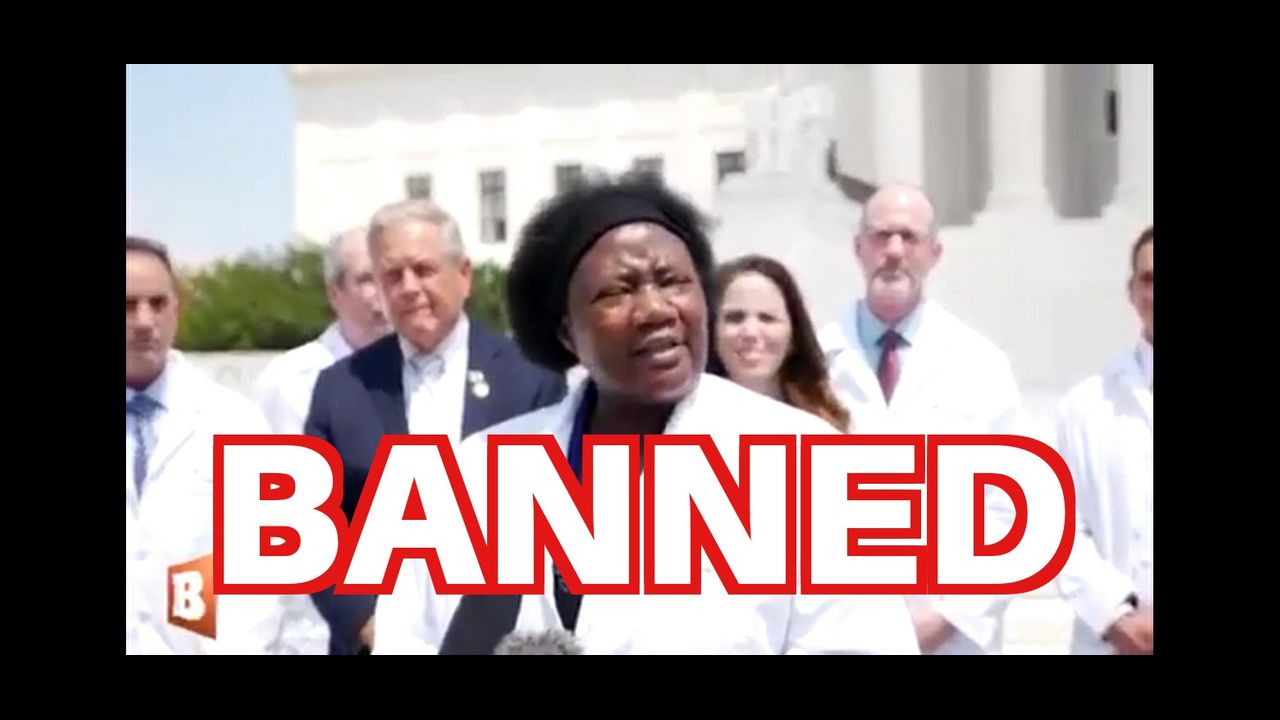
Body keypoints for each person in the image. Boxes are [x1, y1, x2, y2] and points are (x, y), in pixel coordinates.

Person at [375, 173, 920, 655]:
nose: (656, 309)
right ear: (567, 332)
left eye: (673, 281)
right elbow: (410, 638)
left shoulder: (807, 462)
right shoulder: (476, 475)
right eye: (618, 291)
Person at [304, 199, 567, 655]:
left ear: (463, 275)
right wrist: (372, 630)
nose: (408, 287)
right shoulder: (341, 388)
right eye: (392, 275)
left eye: (423, 270)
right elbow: (312, 528)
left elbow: (552, 527)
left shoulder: (530, 378)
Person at [817, 182, 1022, 655]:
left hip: (950, 637)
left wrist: (949, 617)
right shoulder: (813, 363)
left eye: (909, 237)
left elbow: (1013, 510)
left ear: (934, 253)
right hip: (839, 631)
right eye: (881, 235)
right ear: (858, 248)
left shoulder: (981, 366)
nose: (894, 251)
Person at [126, 236, 285, 654]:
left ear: (176, 309)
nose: (144, 321)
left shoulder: (233, 421)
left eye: (158, 303)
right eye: (128, 305)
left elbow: (259, 571)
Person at [252, 226, 389, 655]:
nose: (383, 293)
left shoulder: (423, 372)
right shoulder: (293, 382)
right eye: (367, 279)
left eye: (388, 276)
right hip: (318, 623)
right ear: (335, 293)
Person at [1054, 226, 1153, 655]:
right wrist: (1115, 617)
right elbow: (1061, 529)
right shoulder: (1086, 406)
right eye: (1149, 279)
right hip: (1112, 641)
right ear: (1132, 291)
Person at [711, 254, 851, 432]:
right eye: (735, 318)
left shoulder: (825, 428)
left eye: (767, 318)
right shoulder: (685, 421)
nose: (750, 332)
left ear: (794, 336)